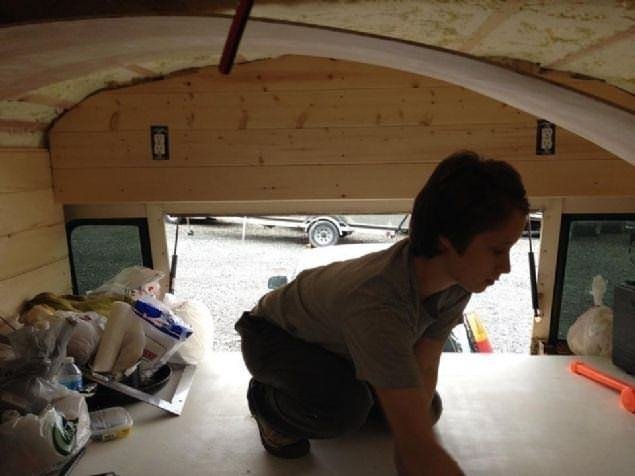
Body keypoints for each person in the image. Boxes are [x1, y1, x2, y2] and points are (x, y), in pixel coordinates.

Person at [235, 150, 529, 475]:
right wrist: (414, 443)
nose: (506, 267)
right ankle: (265, 403)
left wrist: (412, 435)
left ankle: (344, 392)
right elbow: (418, 451)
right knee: (345, 408)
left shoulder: (457, 284)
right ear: (447, 240)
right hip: (273, 338)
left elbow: (426, 361)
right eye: (497, 250)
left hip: (340, 349)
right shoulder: (378, 301)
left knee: (426, 409)